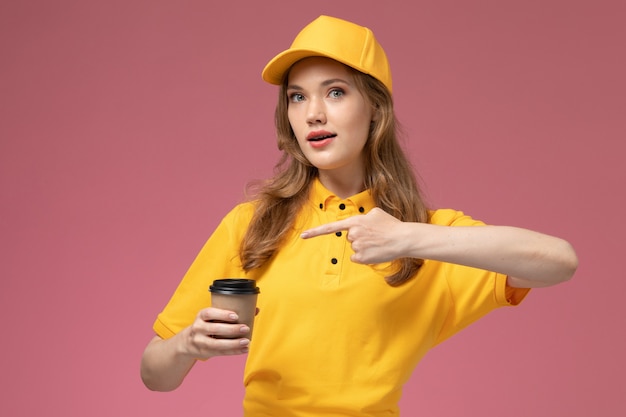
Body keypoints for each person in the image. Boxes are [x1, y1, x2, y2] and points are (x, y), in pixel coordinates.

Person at [140, 15, 578, 416]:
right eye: (297, 97)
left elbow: (559, 262)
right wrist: (186, 345)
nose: (313, 113)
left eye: (335, 92)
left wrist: (408, 238)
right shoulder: (253, 224)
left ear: (375, 110)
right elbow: (155, 375)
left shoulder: (422, 236)